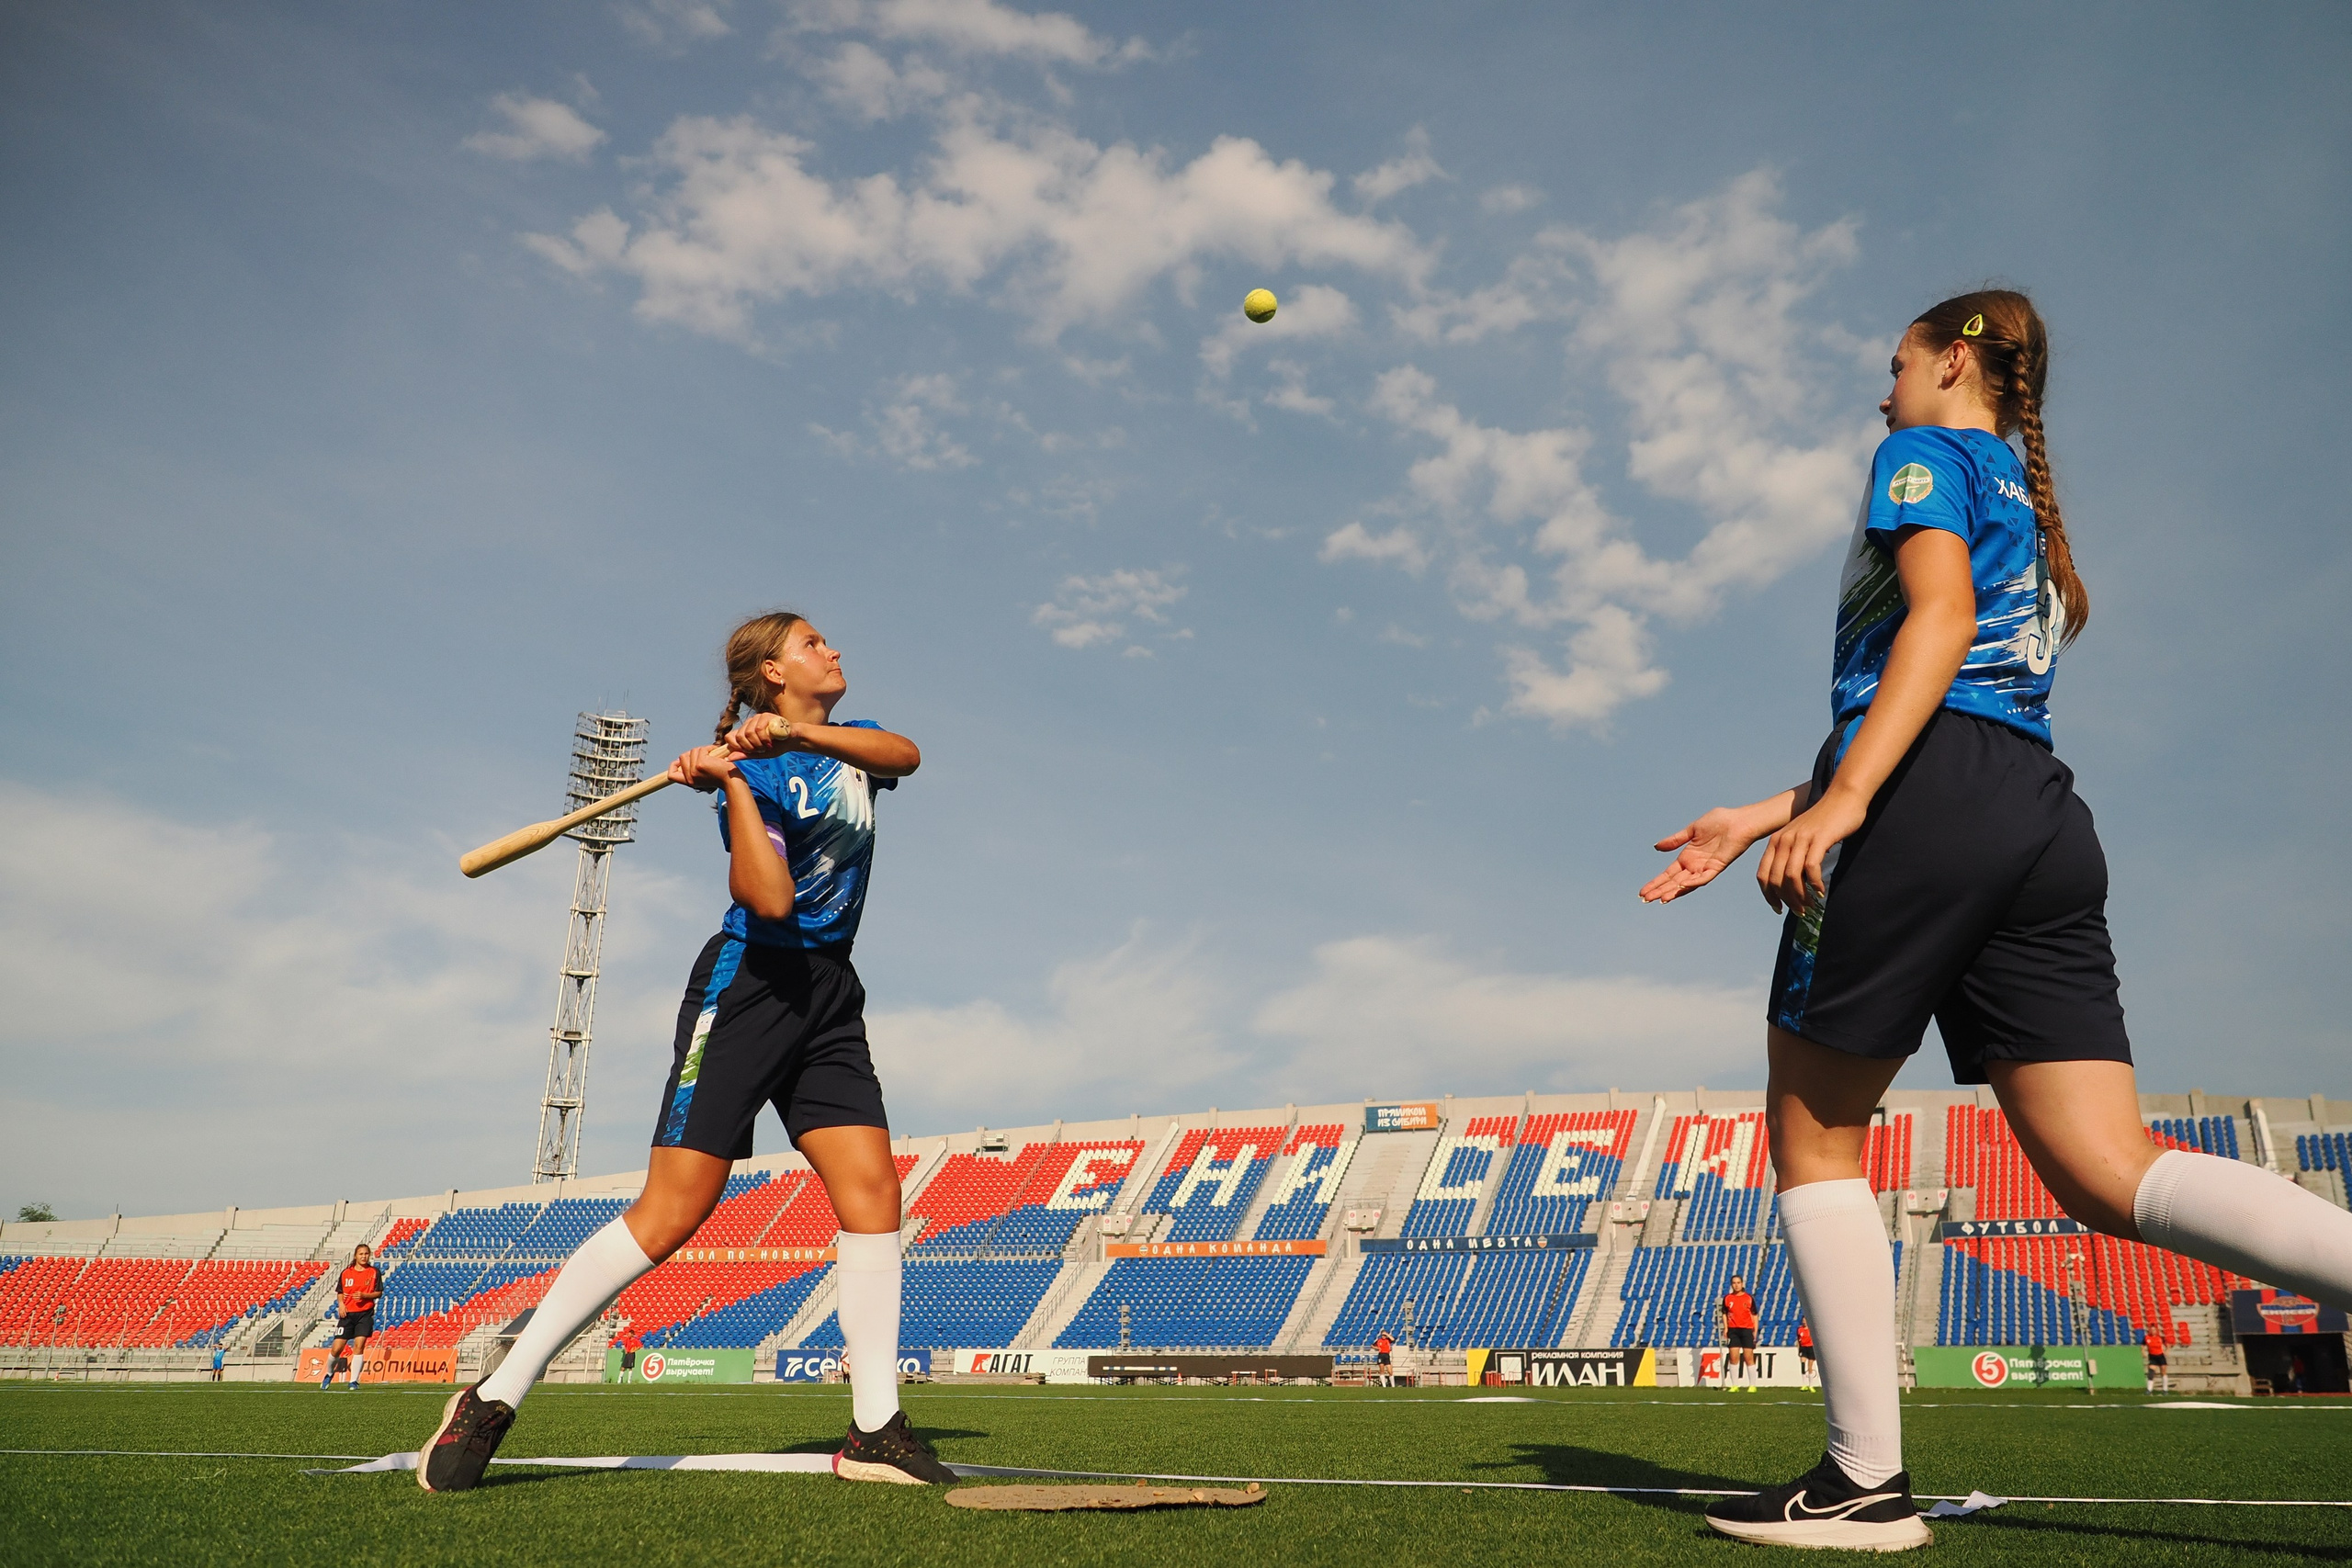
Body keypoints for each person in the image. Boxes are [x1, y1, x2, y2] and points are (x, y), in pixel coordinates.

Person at [1640, 289, 2352, 1550]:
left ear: (1953, 359)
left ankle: (1862, 1485)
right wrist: (1764, 811)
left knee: (1814, 1137)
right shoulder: (2024, 501)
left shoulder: (1923, 452)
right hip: (2036, 815)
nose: (1883, 391)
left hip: (1923, 803)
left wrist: (1845, 796)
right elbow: (1966, 714)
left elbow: (1940, 628)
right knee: (2110, 1167)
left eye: (1896, 364)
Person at [416, 611, 946, 1492]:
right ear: (772, 671)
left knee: (873, 1193)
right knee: (672, 1210)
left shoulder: (850, 743)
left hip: (830, 993)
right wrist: (733, 779)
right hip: (751, 985)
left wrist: (793, 733)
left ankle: (875, 1429)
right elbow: (769, 901)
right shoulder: (755, 772)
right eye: (813, 643)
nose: (834, 650)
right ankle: (494, 1395)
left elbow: (908, 755)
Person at [323, 1244, 381, 1391]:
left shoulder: (374, 1272)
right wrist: (341, 1304)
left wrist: (364, 1295)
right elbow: (340, 1292)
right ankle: (329, 1374)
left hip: (365, 1314)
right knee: (336, 1349)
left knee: (359, 1345)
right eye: (361, 1254)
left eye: (366, 1254)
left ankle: (353, 1381)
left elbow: (379, 1292)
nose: (364, 1256)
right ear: (355, 1256)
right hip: (347, 1315)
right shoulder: (346, 1273)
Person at [1719, 1273, 1759, 1387]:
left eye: (1738, 1283)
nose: (1736, 1285)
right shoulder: (1728, 1298)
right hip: (1733, 1330)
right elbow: (1724, 1313)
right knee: (1733, 1357)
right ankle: (1735, 1385)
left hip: (1746, 1330)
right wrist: (1726, 1328)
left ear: (1742, 1284)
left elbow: (1754, 1315)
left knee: (1748, 1357)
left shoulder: (1748, 1298)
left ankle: (1752, 1385)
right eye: (1734, 1283)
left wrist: (1755, 1331)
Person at [2143, 1327, 2168, 1393]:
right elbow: (2142, 1346)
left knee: (2163, 1372)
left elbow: (2168, 1345)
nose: (2152, 1331)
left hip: (2160, 1356)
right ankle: (2149, 1389)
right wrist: (2143, 1352)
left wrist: (2167, 1350)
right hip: (2152, 1356)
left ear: (2156, 1331)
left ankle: (2165, 1389)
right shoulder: (2146, 1338)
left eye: (2154, 1330)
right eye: (2151, 1330)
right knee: (2151, 1372)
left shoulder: (2160, 1338)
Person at [1796, 1320, 1815, 1385]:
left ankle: (1811, 1385)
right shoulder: (1799, 1329)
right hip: (1803, 1348)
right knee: (1802, 1364)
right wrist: (1799, 1349)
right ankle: (1804, 1384)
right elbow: (1798, 1339)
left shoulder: (1811, 1329)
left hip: (1810, 1348)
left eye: (1805, 1320)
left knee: (1810, 1366)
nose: (1804, 1322)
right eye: (1803, 1320)